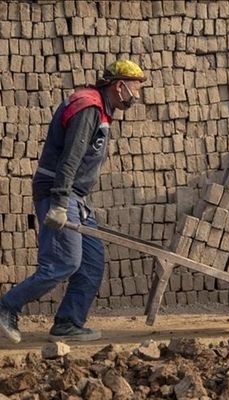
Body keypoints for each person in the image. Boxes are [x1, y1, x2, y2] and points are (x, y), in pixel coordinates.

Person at [0, 60, 146, 343]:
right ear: (120, 86)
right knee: (63, 262)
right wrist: (58, 203)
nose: (137, 96)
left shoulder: (100, 108)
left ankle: (68, 321)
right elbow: (71, 157)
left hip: (76, 197)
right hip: (60, 191)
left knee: (91, 261)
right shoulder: (88, 107)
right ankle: (7, 306)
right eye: (136, 89)